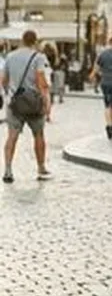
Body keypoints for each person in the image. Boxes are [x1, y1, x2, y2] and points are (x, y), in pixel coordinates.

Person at [2, 30, 52, 183]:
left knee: (12, 136)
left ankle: (8, 170)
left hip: (15, 103)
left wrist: (8, 93)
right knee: (38, 135)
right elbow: (41, 81)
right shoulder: (38, 57)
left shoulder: (10, 57)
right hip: (33, 102)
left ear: (22, 40)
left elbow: (3, 79)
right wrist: (46, 101)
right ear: (35, 41)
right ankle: (41, 167)